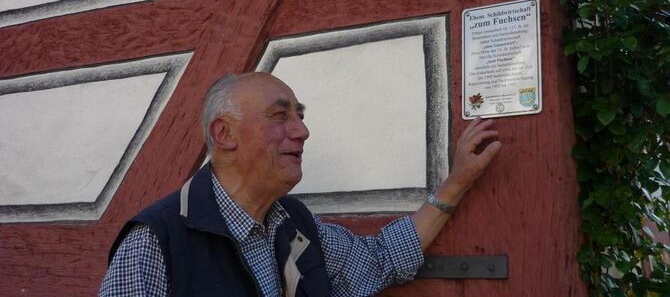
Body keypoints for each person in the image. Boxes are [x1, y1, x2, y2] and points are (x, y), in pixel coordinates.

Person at [100, 72, 501, 296]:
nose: (303, 131)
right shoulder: (156, 242)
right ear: (224, 135)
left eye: (300, 115)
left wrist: (457, 182)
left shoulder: (295, 226)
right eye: (280, 117)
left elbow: (382, 259)